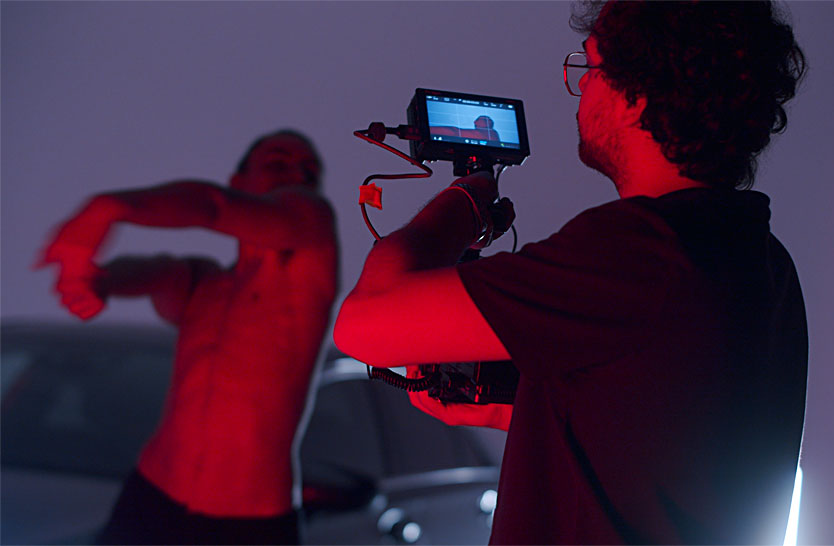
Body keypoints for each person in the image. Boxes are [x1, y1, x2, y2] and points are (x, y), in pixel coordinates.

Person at [334, 0, 807, 543]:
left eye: (592, 66)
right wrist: (506, 410)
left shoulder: (636, 250)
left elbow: (362, 325)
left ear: (638, 92)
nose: (581, 87)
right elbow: (660, 438)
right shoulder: (763, 259)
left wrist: (467, 199)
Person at [38, 129, 338, 545]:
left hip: (246, 525)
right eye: (277, 164)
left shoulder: (312, 228)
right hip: (151, 496)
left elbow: (211, 206)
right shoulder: (205, 284)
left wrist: (106, 209)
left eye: (309, 171)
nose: (297, 175)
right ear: (239, 182)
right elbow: (157, 271)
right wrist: (96, 281)